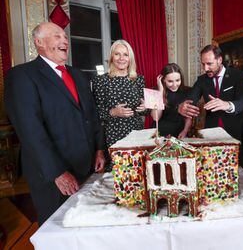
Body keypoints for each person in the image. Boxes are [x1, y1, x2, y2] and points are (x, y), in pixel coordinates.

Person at [4, 22, 105, 225]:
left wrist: (99, 149)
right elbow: (30, 130)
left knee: (84, 224)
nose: (65, 40)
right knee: (58, 227)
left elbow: (91, 116)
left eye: (65, 37)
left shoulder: (77, 75)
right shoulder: (22, 75)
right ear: (39, 42)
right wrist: (57, 173)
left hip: (86, 168)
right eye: (57, 36)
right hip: (52, 175)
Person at [92, 40, 147, 170]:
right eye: (117, 54)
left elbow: (144, 111)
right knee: (118, 174)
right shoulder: (101, 80)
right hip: (113, 135)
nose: (121, 58)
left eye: (125, 55)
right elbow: (95, 112)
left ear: (130, 58)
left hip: (136, 133)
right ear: (111, 57)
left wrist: (145, 107)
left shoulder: (138, 79)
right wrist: (113, 112)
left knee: (137, 171)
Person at [178, 44, 243, 141]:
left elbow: (242, 103)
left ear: (219, 60)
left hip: (234, 132)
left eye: (209, 64)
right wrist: (182, 106)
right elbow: (190, 99)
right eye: (203, 64)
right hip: (210, 134)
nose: (205, 69)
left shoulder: (238, 76)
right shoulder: (202, 80)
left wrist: (226, 104)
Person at [151, 63, 192, 138]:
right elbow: (156, 117)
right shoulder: (156, 92)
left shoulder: (188, 91)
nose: (174, 84)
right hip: (160, 133)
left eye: (177, 80)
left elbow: (188, 117)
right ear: (163, 80)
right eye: (170, 81)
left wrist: (185, 131)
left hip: (179, 131)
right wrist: (160, 92)